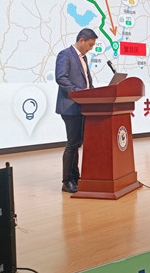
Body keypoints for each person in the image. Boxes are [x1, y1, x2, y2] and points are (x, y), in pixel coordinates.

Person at [55, 28, 98, 194]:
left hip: (83, 106)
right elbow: (61, 78)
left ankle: (75, 177)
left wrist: (93, 94)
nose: (91, 48)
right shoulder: (65, 54)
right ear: (81, 40)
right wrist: (79, 93)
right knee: (72, 144)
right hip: (70, 106)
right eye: (90, 44)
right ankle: (66, 182)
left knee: (77, 143)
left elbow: (87, 82)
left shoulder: (83, 58)